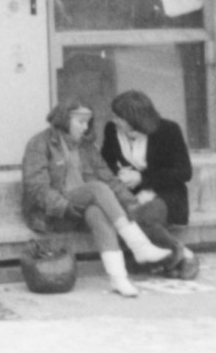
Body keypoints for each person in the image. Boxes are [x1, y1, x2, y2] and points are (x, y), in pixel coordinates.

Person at [22, 99, 174, 297]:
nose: (85, 127)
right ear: (64, 119)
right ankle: (140, 245)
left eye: (88, 122)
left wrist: (133, 204)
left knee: (97, 212)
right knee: (96, 188)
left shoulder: (87, 147)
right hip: (53, 213)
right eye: (80, 122)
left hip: (81, 209)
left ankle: (118, 279)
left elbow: (110, 179)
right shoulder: (39, 143)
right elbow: (36, 187)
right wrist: (63, 207)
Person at [101, 90, 201, 279]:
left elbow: (184, 172)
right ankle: (181, 256)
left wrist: (142, 178)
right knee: (123, 217)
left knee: (139, 218)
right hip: (128, 193)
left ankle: (178, 256)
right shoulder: (111, 130)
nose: (113, 120)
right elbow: (105, 163)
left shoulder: (168, 130)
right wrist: (119, 175)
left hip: (166, 193)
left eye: (118, 116)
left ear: (133, 118)